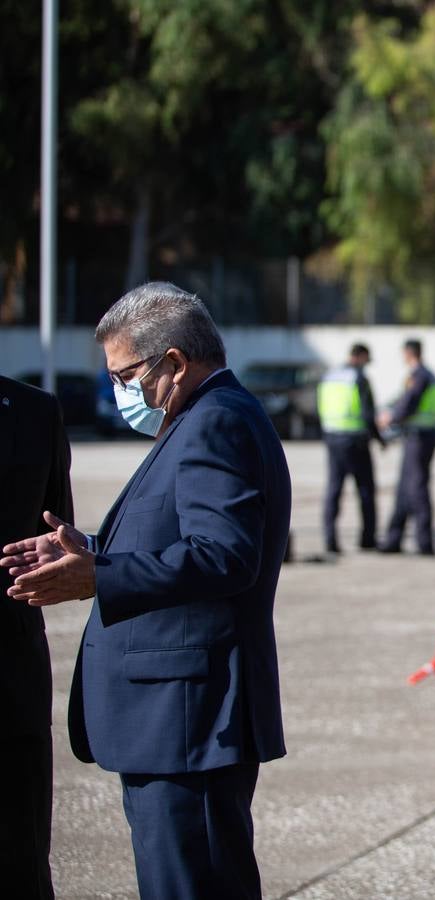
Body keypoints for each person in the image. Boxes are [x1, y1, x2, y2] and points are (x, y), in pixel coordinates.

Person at [2, 283, 291, 900]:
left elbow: (224, 556)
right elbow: (183, 539)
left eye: (126, 374)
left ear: (175, 362)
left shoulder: (214, 422)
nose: (120, 391)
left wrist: (97, 577)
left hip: (189, 725)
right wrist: (93, 551)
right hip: (178, 725)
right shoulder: (203, 417)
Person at [0, 376, 73, 900]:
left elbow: (57, 534)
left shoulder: (35, 411)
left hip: (12, 659)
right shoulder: (34, 409)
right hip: (14, 651)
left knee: (20, 845)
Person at [377, 338, 435, 555]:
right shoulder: (424, 374)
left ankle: (424, 542)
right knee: (404, 489)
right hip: (417, 436)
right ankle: (393, 540)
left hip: (420, 437)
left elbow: (409, 402)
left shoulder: (420, 376)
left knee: (416, 487)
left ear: (408, 353)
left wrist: (391, 417)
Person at [319, 342, 385, 554]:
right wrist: (380, 439)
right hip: (356, 441)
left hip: (333, 438)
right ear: (359, 356)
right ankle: (367, 539)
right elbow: (368, 414)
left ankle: (330, 540)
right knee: (365, 491)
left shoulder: (329, 377)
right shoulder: (359, 379)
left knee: (334, 490)